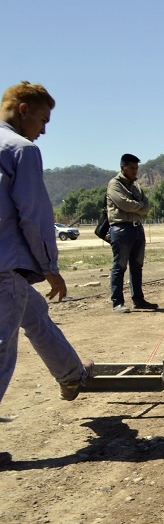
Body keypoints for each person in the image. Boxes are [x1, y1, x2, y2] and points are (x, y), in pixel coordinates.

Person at [0, 81, 94, 465]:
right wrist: (50, 268)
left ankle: (70, 373)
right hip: (4, 269)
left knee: (33, 312)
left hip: (9, 276)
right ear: (23, 110)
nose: (44, 129)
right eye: (42, 119)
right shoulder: (22, 150)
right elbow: (34, 215)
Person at [106, 153, 157, 312]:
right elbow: (124, 204)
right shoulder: (114, 184)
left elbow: (147, 207)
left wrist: (138, 206)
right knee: (119, 266)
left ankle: (138, 300)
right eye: (132, 168)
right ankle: (117, 302)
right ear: (123, 167)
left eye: (136, 168)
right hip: (121, 228)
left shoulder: (136, 186)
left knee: (137, 266)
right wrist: (139, 206)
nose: (135, 171)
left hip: (136, 228)